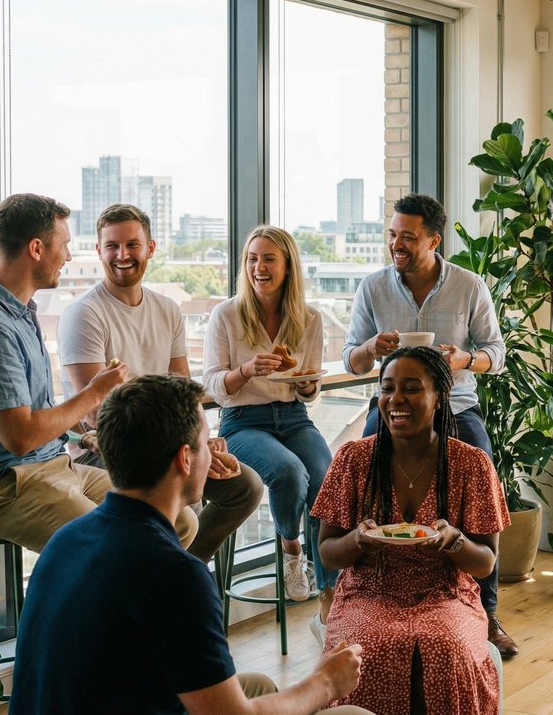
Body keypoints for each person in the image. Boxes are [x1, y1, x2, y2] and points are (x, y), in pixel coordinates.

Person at [9, 374, 371, 715]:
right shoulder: (176, 575)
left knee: (258, 685)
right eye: (205, 442)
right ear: (185, 459)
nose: (212, 454)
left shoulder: (66, 538)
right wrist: (324, 683)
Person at [0, 193, 195, 552]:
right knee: (117, 544)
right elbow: (20, 437)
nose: (69, 256)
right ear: (37, 249)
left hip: (52, 466)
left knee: (179, 519)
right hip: (3, 487)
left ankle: (112, 589)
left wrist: (82, 436)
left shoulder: (19, 311)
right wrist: (95, 391)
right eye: (64, 245)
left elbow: (39, 416)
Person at [342, 193, 516, 656]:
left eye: (408, 237)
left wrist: (465, 359)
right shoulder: (372, 288)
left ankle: (487, 613)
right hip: (394, 409)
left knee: (480, 471)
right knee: (360, 474)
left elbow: (496, 353)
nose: (396, 244)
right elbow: (352, 358)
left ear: (434, 241)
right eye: (392, 235)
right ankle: (358, 595)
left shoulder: (469, 286)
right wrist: (370, 349)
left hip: (456, 405)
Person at [58, 203, 263, 563]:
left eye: (132, 245)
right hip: (105, 451)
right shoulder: (84, 314)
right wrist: (184, 450)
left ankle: (180, 570)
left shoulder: (167, 309)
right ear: (99, 250)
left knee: (245, 486)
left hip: (169, 443)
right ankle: (172, 576)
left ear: (150, 248)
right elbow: (97, 415)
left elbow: (184, 392)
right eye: (112, 246)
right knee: (184, 496)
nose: (122, 255)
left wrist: (201, 441)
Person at [313, 347, 509, 715]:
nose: (396, 399)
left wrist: (455, 542)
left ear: (440, 398)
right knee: (374, 647)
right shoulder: (353, 459)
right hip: (368, 592)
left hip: (446, 593)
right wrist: (358, 540)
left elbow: (485, 563)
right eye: (387, 388)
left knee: (446, 647)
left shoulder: (471, 463)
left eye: (412, 388)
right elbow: (327, 552)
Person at [203, 225, 332, 609]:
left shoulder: (309, 318)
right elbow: (213, 385)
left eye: (269, 259)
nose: (259, 267)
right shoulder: (226, 314)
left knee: (326, 478)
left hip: (293, 416)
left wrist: (306, 384)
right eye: (252, 259)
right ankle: (292, 549)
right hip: (242, 420)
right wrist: (246, 371)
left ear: (288, 266)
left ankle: (331, 595)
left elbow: (309, 387)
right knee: (288, 472)